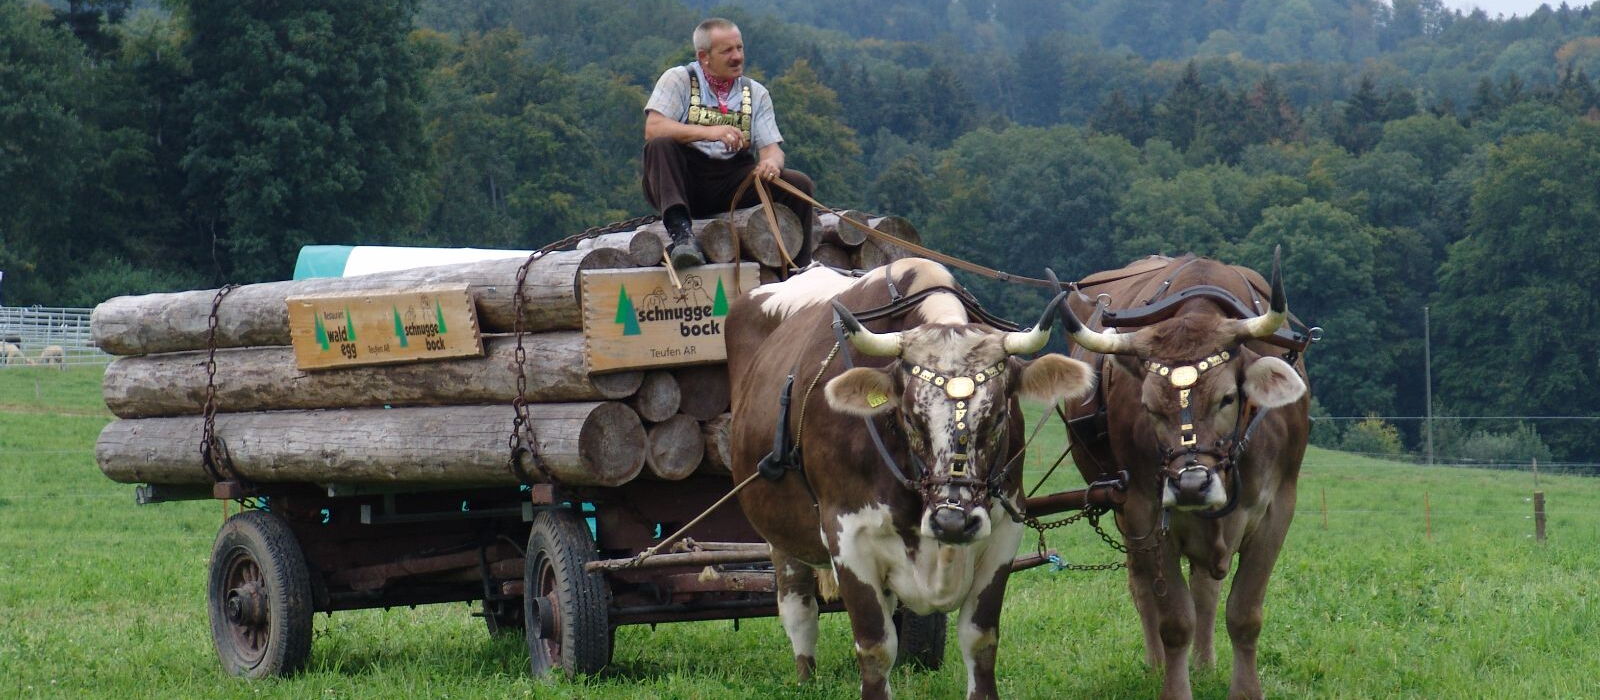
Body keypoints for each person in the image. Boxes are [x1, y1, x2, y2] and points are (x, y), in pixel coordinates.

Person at [642, 18, 815, 269]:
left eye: (740, 48)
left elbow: (772, 149)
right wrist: (708, 132)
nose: (737, 57)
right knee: (660, 145)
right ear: (704, 57)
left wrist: (770, 164)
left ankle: (797, 268)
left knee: (799, 184)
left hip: (732, 180)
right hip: (683, 181)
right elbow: (653, 128)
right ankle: (682, 237)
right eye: (727, 51)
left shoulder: (756, 93)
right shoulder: (678, 79)